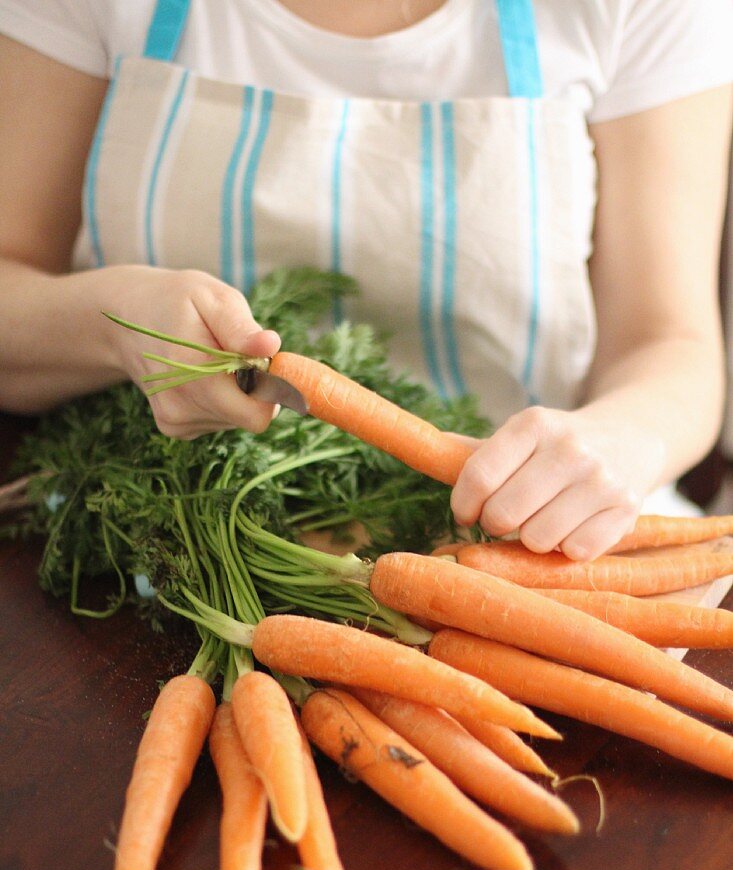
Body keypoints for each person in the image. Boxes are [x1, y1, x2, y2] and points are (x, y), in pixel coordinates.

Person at [0, 0, 731, 560]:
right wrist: (114, 322)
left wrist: (623, 437)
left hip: (533, 549)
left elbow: (667, 339)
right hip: (167, 535)